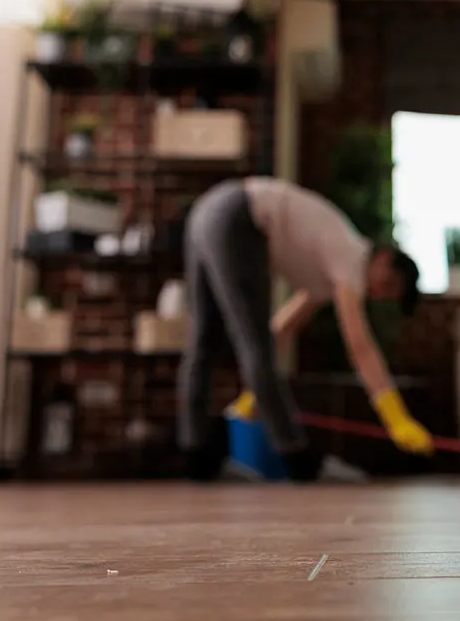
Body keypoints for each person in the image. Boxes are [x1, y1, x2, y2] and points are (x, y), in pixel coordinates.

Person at [178, 176, 434, 482]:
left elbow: (283, 328)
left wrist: (254, 395)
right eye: (388, 284)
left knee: (205, 341)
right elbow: (359, 345)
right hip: (239, 215)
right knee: (246, 344)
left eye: (388, 296)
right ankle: (297, 460)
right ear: (383, 259)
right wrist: (395, 416)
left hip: (206, 211)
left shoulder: (328, 270)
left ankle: (195, 457)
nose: (379, 294)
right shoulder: (352, 255)